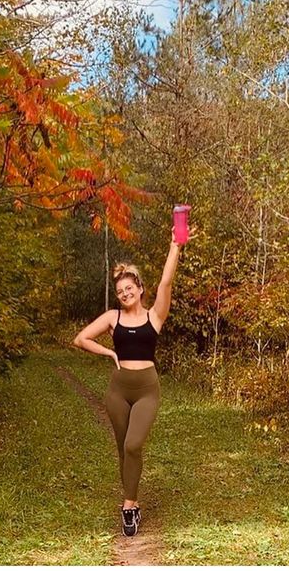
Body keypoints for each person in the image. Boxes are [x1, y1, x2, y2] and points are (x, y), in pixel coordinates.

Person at [71, 225, 190, 537]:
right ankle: (132, 505)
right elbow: (80, 338)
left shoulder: (155, 316)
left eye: (129, 289)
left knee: (134, 443)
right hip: (118, 390)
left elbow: (166, 281)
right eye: (120, 291)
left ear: (139, 288)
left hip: (147, 389)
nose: (125, 294)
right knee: (123, 449)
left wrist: (176, 247)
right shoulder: (113, 318)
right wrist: (109, 354)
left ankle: (128, 505)